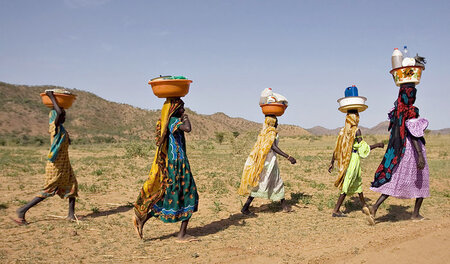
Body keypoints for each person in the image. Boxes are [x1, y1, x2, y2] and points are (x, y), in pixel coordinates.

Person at [133, 98, 199, 242]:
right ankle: (181, 235)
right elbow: (188, 128)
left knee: (170, 197)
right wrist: (186, 118)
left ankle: (143, 219)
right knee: (190, 195)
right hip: (177, 165)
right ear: (175, 109)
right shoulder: (173, 121)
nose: (184, 110)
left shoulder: (171, 121)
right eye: (182, 108)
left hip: (177, 164)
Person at [368, 83, 429, 225]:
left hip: (400, 150)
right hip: (412, 150)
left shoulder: (397, 111)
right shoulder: (411, 111)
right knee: (422, 179)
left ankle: (375, 206)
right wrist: (419, 154)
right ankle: (415, 214)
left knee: (395, 179)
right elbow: (414, 134)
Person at [14, 90, 78, 225]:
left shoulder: (61, 130)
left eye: (64, 114)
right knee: (48, 191)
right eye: (62, 115)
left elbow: (66, 140)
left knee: (72, 186)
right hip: (56, 166)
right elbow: (59, 112)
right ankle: (22, 211)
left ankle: (71, 215)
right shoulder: (53, 127)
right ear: (56, 117)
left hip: (64, 165)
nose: (64, 115)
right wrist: (51, 97)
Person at [328, 110, 384, 217]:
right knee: (347, 184)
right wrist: (377, 145)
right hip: (352, 160)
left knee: (357, 182)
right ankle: (336, 210)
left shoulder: (342, 131)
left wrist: (332, 162)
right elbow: (363, 148)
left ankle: (364, 206)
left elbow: (337, 148)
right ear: (355, 118)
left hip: (345, 160)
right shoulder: (356, 131)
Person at [239, 115, 296, 215]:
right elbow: (273, 147)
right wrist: (288, 157)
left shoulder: (264, 132)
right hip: (269, 162)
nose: (277, 124)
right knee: (274, 182)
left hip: (263, 161)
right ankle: (245, 207)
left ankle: (284, 206)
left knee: (271, 182)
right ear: (272, 123)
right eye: (276, 122)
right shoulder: (271, 133)